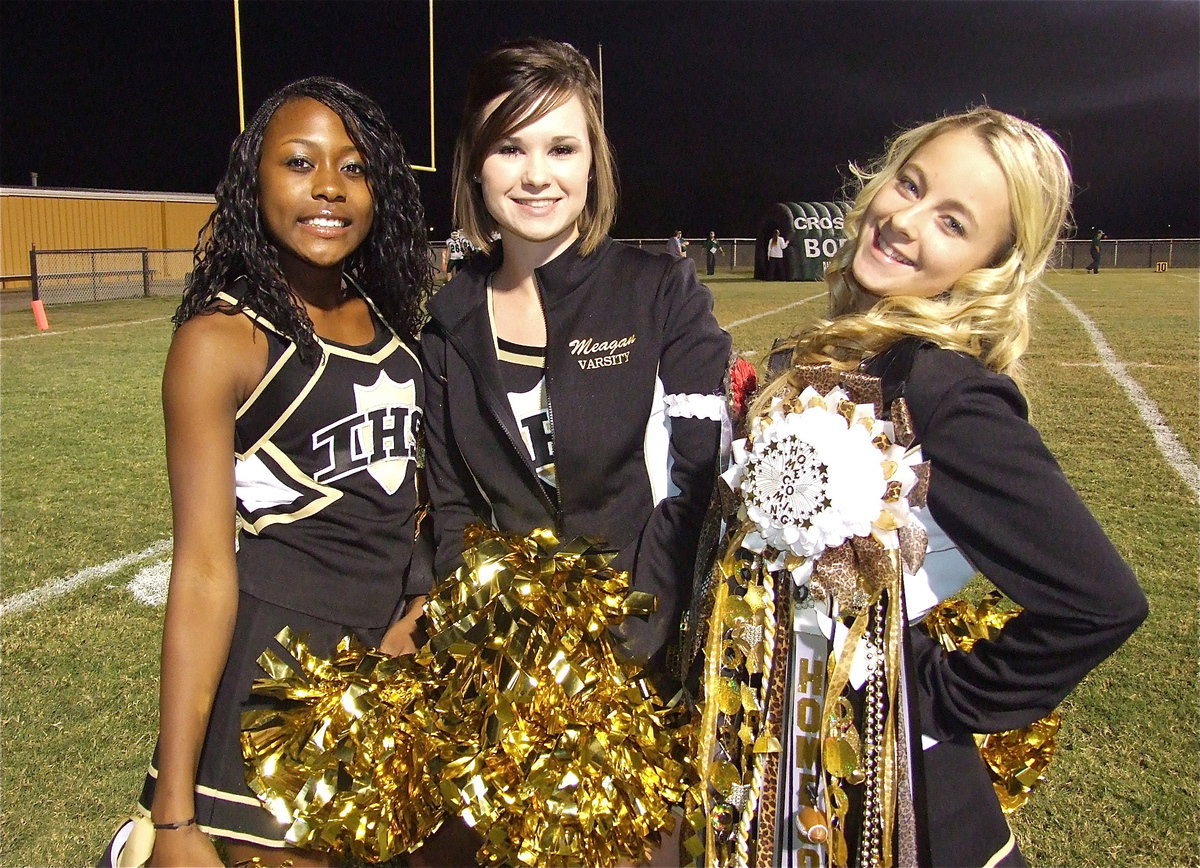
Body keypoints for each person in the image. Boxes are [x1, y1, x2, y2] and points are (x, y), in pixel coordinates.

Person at [702, 108, 1147, 867]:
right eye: (908, 185)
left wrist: (934, 699)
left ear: (987, 264)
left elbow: (1098, 602)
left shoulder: (946, 390)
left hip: (910, 818)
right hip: (793, 790)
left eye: (951, 221)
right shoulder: (845, 351)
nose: (905, 221)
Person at [419, 37, 731, 865]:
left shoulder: (661, 289)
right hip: (509, 674)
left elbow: (699, 484)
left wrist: (635, 635)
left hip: (643, 670)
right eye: (509, 148)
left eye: (562, 147)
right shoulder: (448, 320)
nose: (536, 174)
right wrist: (505, 640)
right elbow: (451, 506)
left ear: (593, 163)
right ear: (476, 167)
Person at [132, 77, 433, 868]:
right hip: (277, 685)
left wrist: (420, 606)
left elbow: (424, 498)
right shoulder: (222, 342)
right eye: (299, 163)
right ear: (252, 181)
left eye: (354, 168)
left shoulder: (399, 325)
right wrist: (173, 819)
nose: (329, 186)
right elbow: (201, 569)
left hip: (388, 673)